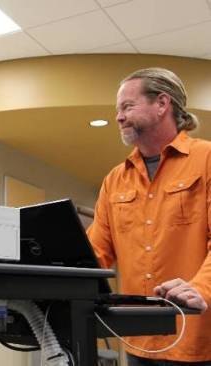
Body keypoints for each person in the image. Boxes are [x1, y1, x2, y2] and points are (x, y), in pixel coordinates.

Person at [87, 67, 211, 365]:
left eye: (127, 106)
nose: (119, 117)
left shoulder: (206, 160)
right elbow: (95, 253)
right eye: (118, 110)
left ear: (162, 104)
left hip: (198, 340)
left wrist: (200, 288)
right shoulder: (115, 180)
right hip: (138, 342)